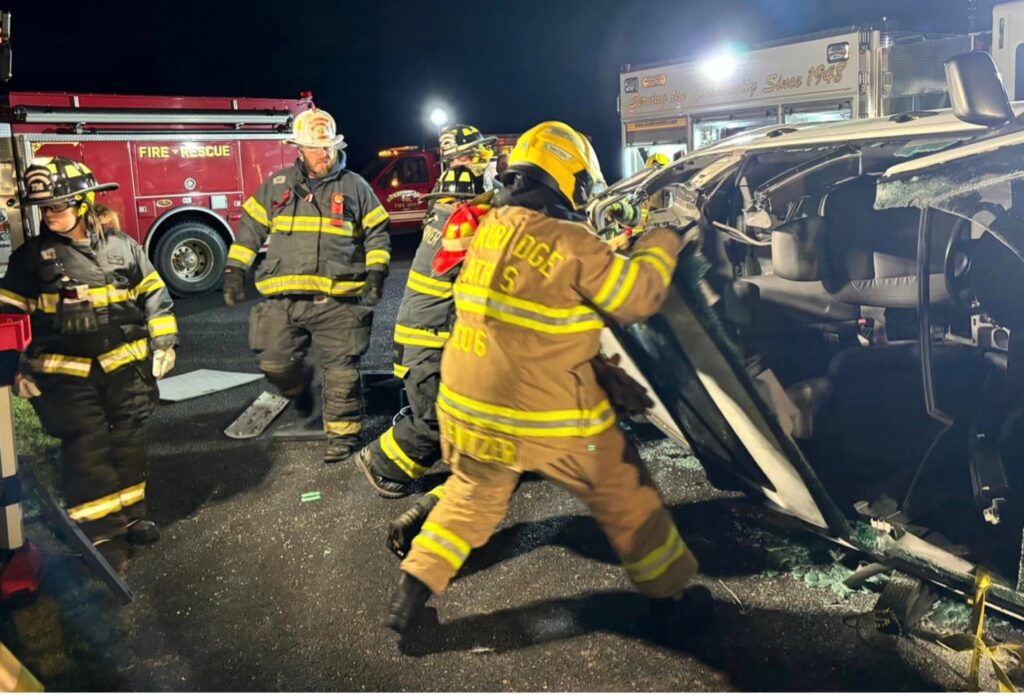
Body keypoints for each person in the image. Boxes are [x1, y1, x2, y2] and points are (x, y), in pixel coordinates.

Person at [384, 121, 710, 636]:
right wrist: (666, 235)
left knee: (469, 498)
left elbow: (536, 321)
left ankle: (412, 593)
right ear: (569, 179)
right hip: (543, 412)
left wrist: (601, 371)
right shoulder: (573, 242)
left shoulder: (492, 227)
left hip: (468, 401)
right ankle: (673, 600)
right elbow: (637, 296)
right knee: (624, 494)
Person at [0, 157, 177, 563]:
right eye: (45, 209)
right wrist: (13, 370)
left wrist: (165, 343)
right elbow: (7, 316)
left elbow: (154, 295)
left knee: (128, 440)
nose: (50, 216)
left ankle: (133, 517)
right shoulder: (30, 259)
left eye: (58, 207)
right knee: (88, 446)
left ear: (83, 203)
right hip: (65, 377)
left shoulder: (122, 247)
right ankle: (100, 532)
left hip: (125, 370)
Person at [222, 108, 391, 463]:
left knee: (341, 371)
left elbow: (377, 233)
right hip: (283, 300)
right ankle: (297, 389)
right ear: (299, 148)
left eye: (328, 147)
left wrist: (376, 273)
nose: (324, 154)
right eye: (317, 148)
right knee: (274, 362)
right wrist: (235, 268)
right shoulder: (278, 186)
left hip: (337, 300)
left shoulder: (355, 187)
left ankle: (342, 437)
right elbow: (250, 229)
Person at [347, 124, 495, 499]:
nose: (485, 162)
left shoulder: (448, 209)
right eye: (477, 156)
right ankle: (381, 464)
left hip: (434, 339)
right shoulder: (456, 222)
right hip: (425, 345)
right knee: (434, 420)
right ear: (459, 161)